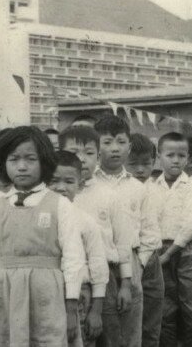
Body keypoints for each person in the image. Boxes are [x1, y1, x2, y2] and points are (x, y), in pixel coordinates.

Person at [0, 126, 85, 346]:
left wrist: (71, 304)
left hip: (48, 297)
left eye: (30, 159)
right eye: (14, 159)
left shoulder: (59, 204)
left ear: (44, 162)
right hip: (4, 295)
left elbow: (74, 257)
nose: (22, 167)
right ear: (3, 163)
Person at [59, 126, 143, 347]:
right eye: (74, 152)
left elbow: (123, 243)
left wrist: (125, 284)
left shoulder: (110, 196)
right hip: (67, 278)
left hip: (107, 278)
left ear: (98, 156)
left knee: (110, 336)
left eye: (89, 153)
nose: (82, 159)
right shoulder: (58, 194)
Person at [153, 132, 192, 347]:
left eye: (181, 155)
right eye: (170, 155)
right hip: (159, 250)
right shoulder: (151, 188)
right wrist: (161, 251)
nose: (176, 160)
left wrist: (189, 248)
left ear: (188, 158)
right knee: (165, 308)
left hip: (185, 252)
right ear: (159, 156)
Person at [93, 115, 149, 347]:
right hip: (96, 261)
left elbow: (149, 232)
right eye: (107, 142)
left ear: (129, 146)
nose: (114, 149)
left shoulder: (138, 187)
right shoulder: (88, 184)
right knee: (98, 331)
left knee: (128, 329)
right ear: (96, 146)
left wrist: (139, 266)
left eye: (120, 142)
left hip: (131, 262)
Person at [49, 150, 109, 347]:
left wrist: (96, 311)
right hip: (46, 292)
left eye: (69, 182)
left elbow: (98, 267)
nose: (61, 188)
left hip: (81, 296)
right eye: (54, 181)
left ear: (80, 184)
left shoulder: (86, 221)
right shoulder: (37, 218)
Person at [124, 133, 166, 346]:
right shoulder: (122, 190)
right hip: (128, 258)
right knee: (130, 320)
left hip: (151, 259)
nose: (140, 170)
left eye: (146, 164)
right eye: (133, 164)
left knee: (152, 318)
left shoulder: (157, 190)